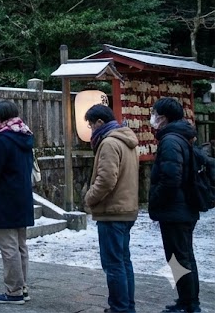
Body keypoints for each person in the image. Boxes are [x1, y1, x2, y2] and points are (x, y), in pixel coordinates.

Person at [83, 103, 139, 313]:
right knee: (123, 261)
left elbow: (106, 179)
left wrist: (90, 198)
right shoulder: (127, 140)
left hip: (112, 211)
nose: (91, 129)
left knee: (114, 264)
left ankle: (119, 308)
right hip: (126, 208)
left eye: (91, 125)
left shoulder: (109, 143)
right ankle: (126, 306)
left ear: (100, 122)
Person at [0, 100, 35, 304]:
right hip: (22, 195)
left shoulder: (2, 139)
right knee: (20, 245)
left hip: (5, 197)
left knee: (9, 246)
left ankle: (14, 291)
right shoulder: (24, 134)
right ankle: (22, 286)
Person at [149, 97, 202, 313]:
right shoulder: (181, 137)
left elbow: (171, 178)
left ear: (163, 117)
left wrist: (156, 200)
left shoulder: (170, 141)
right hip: (183, 208)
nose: (152, 117)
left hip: (175, 210)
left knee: (178, 257)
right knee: (184, 255)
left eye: (154, 113)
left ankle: (188, 303)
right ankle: (189, 301)